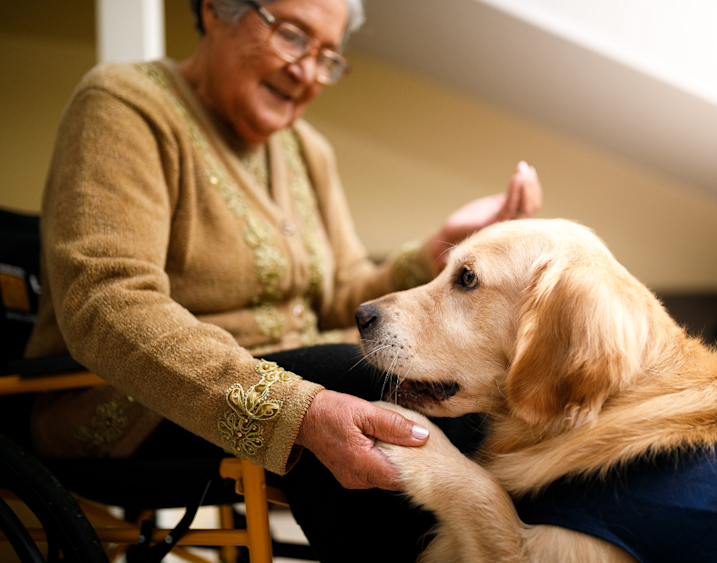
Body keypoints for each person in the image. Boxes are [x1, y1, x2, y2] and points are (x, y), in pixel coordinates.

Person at [24, 0, 542, 559]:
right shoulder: (124, 106)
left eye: (327, 58)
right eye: (293, 37)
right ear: (214, 11)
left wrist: (438, 247)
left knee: (448, 390)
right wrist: (294, 409)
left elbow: (346, 296)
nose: (306, 71)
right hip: (129, 408)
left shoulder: (306, 150)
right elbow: (104, 304)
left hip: (289, 369)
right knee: (379, 391)